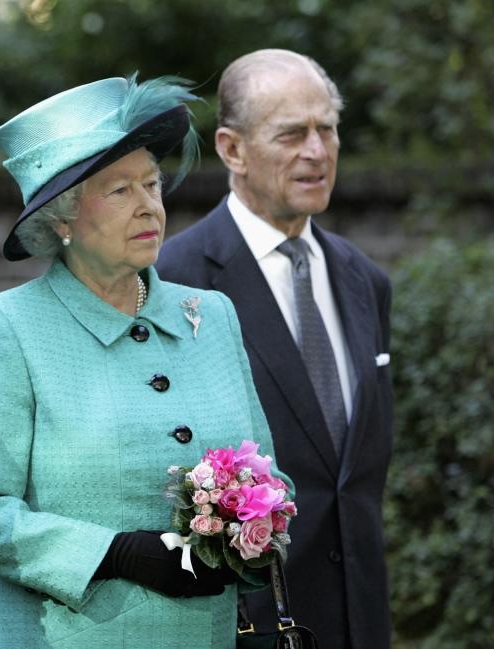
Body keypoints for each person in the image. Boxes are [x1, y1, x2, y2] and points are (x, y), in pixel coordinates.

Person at [0, 75, 291, 649]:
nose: (150, 205)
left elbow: (271, 478)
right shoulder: (4, 328)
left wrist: (249, 534)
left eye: (152, 183)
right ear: (61, 220)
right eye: (120, 191)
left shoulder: (213, 316)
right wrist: (113, 555)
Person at [157, 49, 393, 649]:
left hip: (360, 623)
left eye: (328, 129)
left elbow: (352, 483)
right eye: (292, 134)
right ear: (232, 149)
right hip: (240, 627)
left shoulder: (365, 281)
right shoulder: (172, 282)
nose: (317, 151)